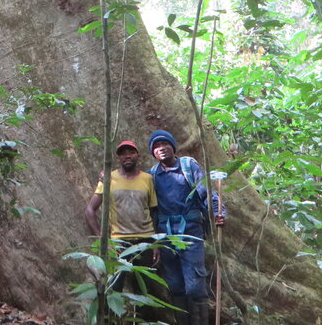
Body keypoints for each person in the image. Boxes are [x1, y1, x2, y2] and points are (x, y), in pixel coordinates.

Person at [148, 129, 226, 325]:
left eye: (165, 144)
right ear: (153, 153)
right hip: (165, 234)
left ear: (173, 147)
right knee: (174, 285)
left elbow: (206, 192)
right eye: (156, 147)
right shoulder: (152, 175)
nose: (161, 148)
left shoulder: (188, 166)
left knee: (195, 286)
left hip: (191, 231)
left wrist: (219, 212)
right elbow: (150, 208)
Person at [85, 140, 159, 293]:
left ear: (138, 155)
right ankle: (110, 317)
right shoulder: (108, 178)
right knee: (114, 288)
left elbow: (154, 212)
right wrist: (101, 240)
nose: (127, 156)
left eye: (131, 152)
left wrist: (155, 243)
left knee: (144, 290)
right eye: (123, 153)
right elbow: (90, 210)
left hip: (145, 242)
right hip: (118, 242)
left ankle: (140, 316)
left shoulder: (147, 179)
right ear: (118, 157)